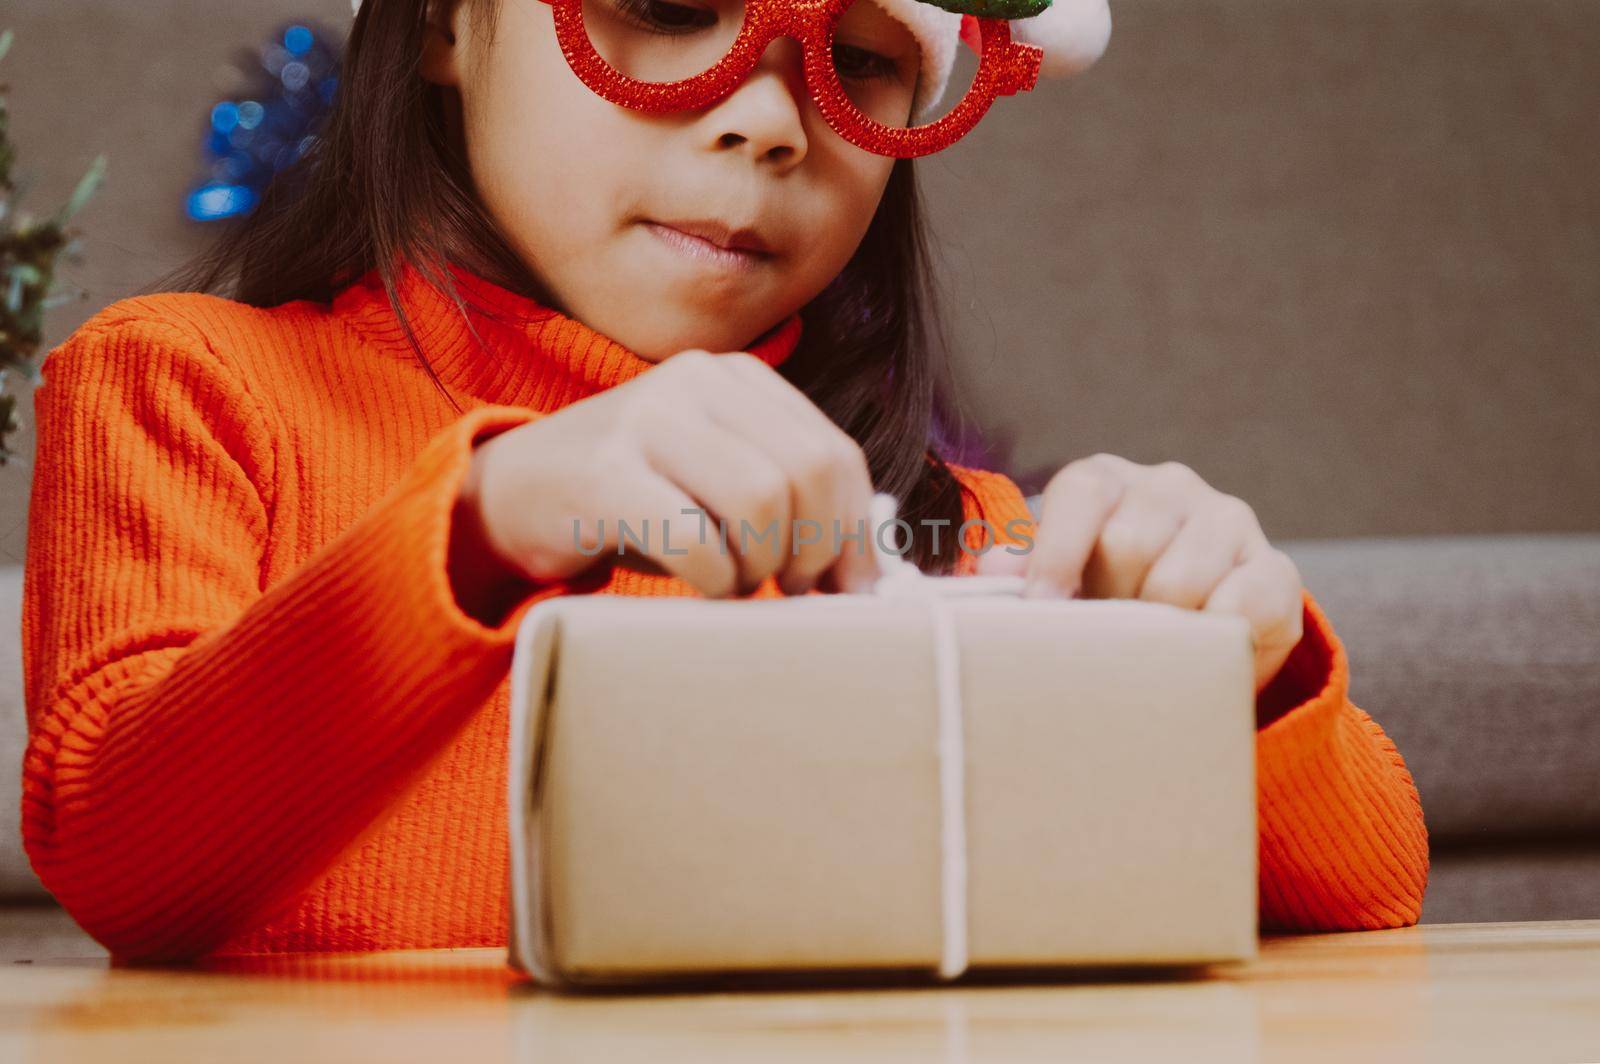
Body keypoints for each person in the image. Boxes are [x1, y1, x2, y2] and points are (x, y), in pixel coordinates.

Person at [19, 0, 1426, 963]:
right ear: (448, 19)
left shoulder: (963, 541)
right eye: (672, 3)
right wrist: (492, 519)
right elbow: (122, 855)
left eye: (860, 59)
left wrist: (1249, 667)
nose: (767, 121)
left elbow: (1372, 898)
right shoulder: (186, 384)